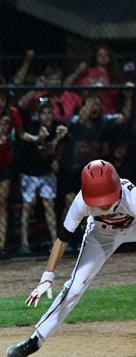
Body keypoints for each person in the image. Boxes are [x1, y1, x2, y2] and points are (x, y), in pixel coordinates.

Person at [6, 159, 136, 357]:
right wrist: (47, 277)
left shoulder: (131, 195)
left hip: (134, 227)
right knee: (75, 288)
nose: (104, 205)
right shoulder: (81, 202)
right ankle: (35, 340)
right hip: (100, 237)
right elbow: (62, 240)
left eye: (106, 198)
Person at [0, 89, 49, 260]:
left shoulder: (12, 113)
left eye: (2, 98)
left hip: (5, 162)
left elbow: (21, 134)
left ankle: (1, 247)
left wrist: (36, 138)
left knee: (2, 202)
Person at [17, 99, 67, 254]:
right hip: (29, 172)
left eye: (49, 112)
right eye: (43, 113)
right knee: (28, 204)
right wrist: (55, 139)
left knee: (49, 204)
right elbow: (43, 151)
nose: (47, 116)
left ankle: (54, 242)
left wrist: (57, 157)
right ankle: (24, 243)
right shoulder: (33, 126)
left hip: (46, 172)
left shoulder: (57, 126)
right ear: (38, 114)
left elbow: (61, 149)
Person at [64, 45, 122, 115]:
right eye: (100, 55)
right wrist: (78, 72)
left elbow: (115, 93)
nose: (103, 57)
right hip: (88, 111)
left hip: (108, 111)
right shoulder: (87, 72)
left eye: (106, 55)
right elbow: (66, 85)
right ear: (95, 57)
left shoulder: (113, 74)